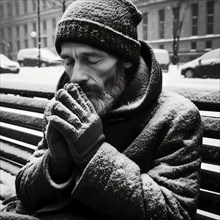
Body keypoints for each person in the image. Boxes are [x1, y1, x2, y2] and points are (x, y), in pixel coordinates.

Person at [1, 0, 203, 219]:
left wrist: (94, 153)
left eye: (93, 59)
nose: (76, 75)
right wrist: (55, 165)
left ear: (126, 59)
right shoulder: (64, 107)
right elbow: (25, 192)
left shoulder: (175, 117)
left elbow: (175, 214)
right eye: (68, 61)